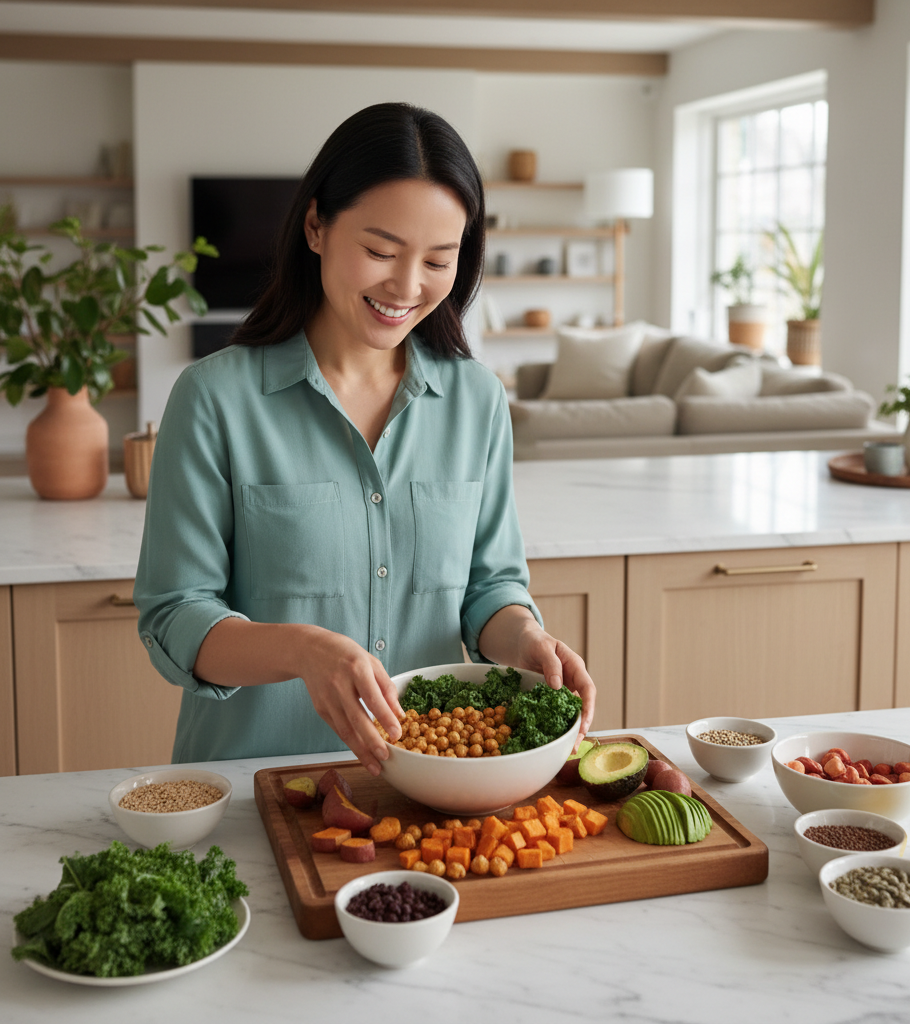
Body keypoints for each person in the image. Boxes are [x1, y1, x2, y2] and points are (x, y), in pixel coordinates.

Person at [134, 102, 595, 773]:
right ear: (316, 225)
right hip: (252, 784)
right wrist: (302, 650)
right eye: (380, 251)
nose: (406, 287)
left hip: (426, 788)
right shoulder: (214, 398)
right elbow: (175, 617)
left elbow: (487, 586)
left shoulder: (476, 400)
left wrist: (523, 637)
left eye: (439, 260)